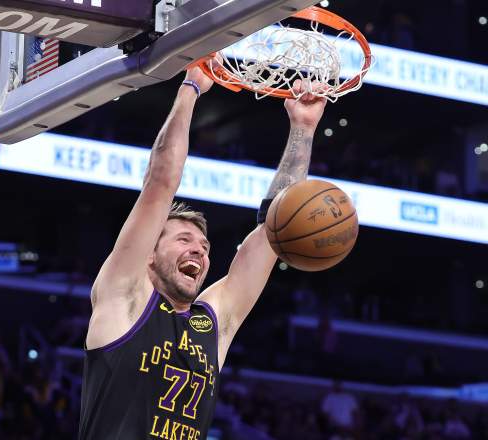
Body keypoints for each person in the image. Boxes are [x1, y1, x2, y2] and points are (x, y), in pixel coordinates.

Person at [78, 61, 326, 439]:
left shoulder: (211, 324)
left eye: (204, 245)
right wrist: (191, 88)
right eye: (183, 240)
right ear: (149, 255)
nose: (198, 250)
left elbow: (274, 231)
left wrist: (303, 130)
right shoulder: (124, 297)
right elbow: (160, 183)